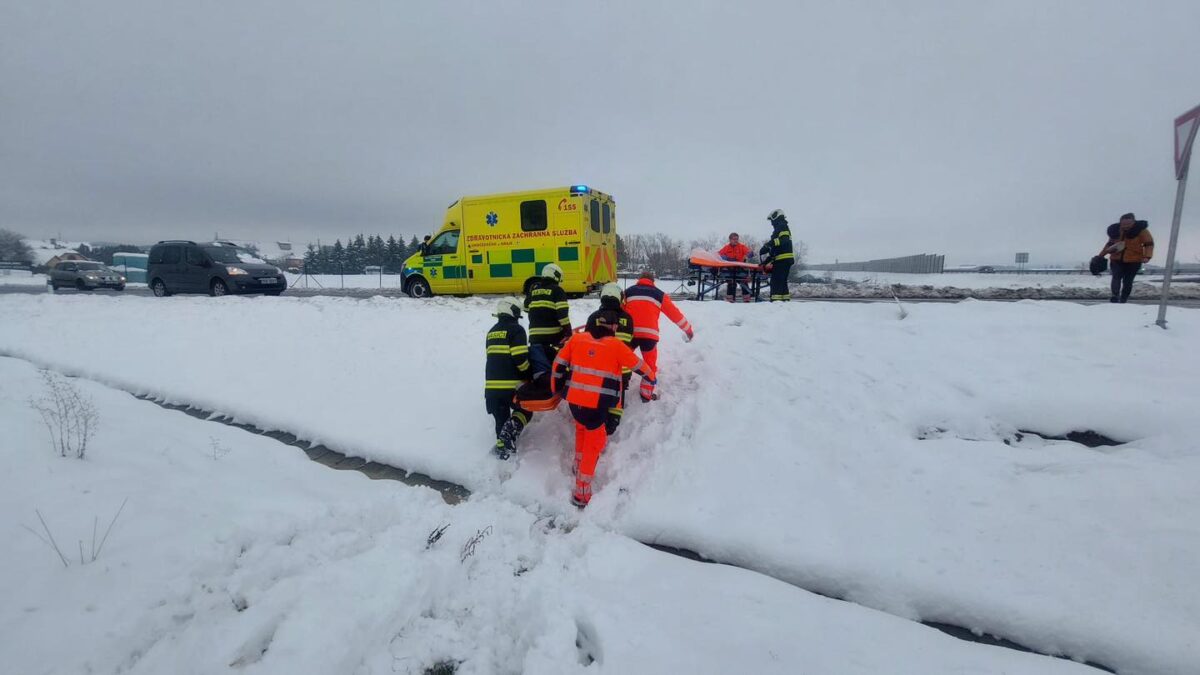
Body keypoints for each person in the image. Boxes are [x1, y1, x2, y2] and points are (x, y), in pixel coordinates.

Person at [552, 311, 655, 508]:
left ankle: (578, 465)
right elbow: (638, 365)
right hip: (596, 406)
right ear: (612, 326)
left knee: (581, 430)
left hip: (574, 402)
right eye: (616, 326)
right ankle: (582, 492)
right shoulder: (616, 345)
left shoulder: (577, 339)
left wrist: (555, 387)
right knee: (594, 442)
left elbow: (558, 364)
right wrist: (651, 377)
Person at [624, 269, 694, 401]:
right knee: (649, 365)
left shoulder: (628, 292)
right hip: (649, 336)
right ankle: (646, 394)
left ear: (639, 279)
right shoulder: (659, 294)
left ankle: (619, 384)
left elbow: (620, 311)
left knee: (623, 359)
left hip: (629, 333)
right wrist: (688, 329)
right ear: (653, 281)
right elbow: (674, 314)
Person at [483, 298, 532, 458]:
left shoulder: (491, 332)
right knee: (526, 409)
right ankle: (512, 429)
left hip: (491, 390)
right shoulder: (516, 330)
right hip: (511, 387)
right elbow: (520, 358)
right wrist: (529, 375)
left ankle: (502, 454)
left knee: (501, 423)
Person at [586, 283, 635, 434]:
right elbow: (630, 343)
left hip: (598, 369)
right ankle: (613, 420)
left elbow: (587, 344)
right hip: (622, 370)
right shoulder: (628, 318)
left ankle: (598, 416)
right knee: (618, 392)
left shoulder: (594, 317)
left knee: (599, 391)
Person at [524, 263, 571, 379]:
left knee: (539, 367)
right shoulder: (557, 290)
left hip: (535, 338)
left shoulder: (534, 289)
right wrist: (568, 331)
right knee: (554, 366)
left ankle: (540, 385)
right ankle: (555, 384)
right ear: (556, 276)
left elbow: (525, 308)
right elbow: (562, 315)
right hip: (552, 338)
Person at [1100, 213, 1154, 304]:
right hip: (1116, 259)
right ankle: (1115, 296)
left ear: (1133, 222)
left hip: (1134, 260)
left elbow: (1149, 244)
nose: (1126, 226)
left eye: (1128, 224)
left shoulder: (1142, 231)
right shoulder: (1115, 230)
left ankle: (1123, 299)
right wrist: (1101, 255)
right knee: (1116, 277)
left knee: (1128, 281)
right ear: (1120, 223)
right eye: (1123, 224)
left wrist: (1147, 256)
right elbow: (1109, 245)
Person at [760, 209, 795, 301]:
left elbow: (784, 240)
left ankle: (776, 302)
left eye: (772, 221)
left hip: (782, 260)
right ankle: (784, 302)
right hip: (783, 260)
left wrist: (768, 245)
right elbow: (776, 249)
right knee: (782, 282)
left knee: (776, 282)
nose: (771, 223)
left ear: (776, 217)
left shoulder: (782, 226)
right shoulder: (780, 227)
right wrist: (766, 261)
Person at [718, 232, 754, 302]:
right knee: (731, 283)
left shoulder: (742, 247)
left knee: (744, 282)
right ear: (730, 240)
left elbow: (749, 252)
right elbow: (718, 255)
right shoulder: (726, 248)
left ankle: (747, 301)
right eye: (734, 239)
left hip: (740, 269)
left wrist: (750, 253)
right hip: (729, 270)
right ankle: (730, 301)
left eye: (737, 239)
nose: (736, 240)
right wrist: (726, 258)